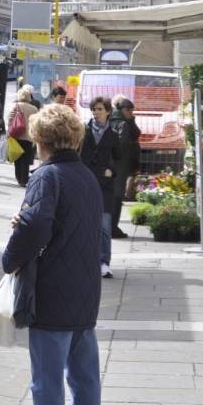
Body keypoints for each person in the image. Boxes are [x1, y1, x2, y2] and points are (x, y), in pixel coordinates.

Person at [3, 103, 103, 405]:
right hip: (86, 291)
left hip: (53, 291)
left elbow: (36, 227)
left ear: (40, 140)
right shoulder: (87, 176)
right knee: (85, 379)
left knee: (47, 382)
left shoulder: (47, 176)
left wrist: (10, 259)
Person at [80, 97, 120, 279]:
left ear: (108, 111)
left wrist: (112, 170)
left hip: (105, 184)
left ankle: (104, 262)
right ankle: (86, 261)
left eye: (100, 109)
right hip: (86, 181)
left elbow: (119, 158)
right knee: (85, 224)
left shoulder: (113, 134)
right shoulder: (84, 130)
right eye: (94, 109)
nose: (96, 112)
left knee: (104, 225)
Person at [109, 98, 141, 239]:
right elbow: (122, 145)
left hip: (113, 164)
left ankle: (110, 226)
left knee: (113, 196)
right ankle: (113, 228)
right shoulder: (123, 124)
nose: (131, 113)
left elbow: (137, 133)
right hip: (120, 165)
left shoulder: (113, 120)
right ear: (123, 110)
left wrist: (131, 120)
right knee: (117, 195)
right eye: (130, 111)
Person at [8, 87, 38, 187]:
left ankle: (18, 177)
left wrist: (9, 131)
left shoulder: (16, 106)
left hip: (16, 136)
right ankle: (24, 180)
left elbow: (10, 119)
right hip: (29, 137)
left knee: (17, 158)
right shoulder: (34, 109)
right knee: (25, 159)